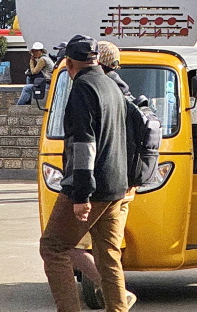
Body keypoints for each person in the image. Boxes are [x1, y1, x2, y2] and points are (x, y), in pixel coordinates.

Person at [39, 35, 135, 312]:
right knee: (108, 255)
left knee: (54, 247)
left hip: (91, 186)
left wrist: (81, 194)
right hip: (118, 185)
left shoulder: (82, 88)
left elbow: (83, 143)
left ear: (69, 64)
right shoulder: (111, 84)